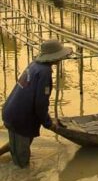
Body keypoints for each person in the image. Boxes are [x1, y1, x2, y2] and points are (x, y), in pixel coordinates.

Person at [0, 39, 72, 168]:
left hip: (12, 111)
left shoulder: (34, 65)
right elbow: (40, 104)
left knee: (19, 141)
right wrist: (49, 124)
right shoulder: (44, 72)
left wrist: (47, 121)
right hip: (20, 118)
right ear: (54, 57)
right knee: (22, 166)